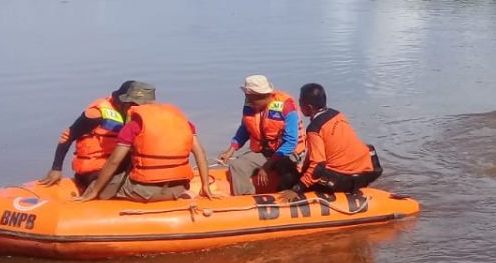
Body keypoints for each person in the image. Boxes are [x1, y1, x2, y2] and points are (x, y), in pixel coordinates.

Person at [78, 82, 212, 202]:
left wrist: (94, 190)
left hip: (144, 191)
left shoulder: (134, 125)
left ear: (130, 104)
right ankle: (179, 196)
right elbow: (200, 153)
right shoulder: (183, 121)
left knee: (100, 189)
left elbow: (114, 161)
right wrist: (205, 185)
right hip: (178, 187)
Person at [277, 83, 382, 204]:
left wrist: (297, 188)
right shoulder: (337, 115)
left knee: (286, 169)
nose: (299, 106)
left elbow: (318, 165)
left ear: (309, 107)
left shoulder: (314, 129)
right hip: (364, 174)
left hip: (343, 180)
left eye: (300, 102)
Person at [217, 75, 305, 195]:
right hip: (263, 152)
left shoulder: (286, 106)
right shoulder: (250, 106)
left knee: (286, 169)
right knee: (237, 165)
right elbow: (245, 129)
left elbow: (291, 142)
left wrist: (267, 166)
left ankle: (285, 197)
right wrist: (231, 149)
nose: (249, 102)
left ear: (263, 96)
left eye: (252, 99)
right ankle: (247, 200)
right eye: (247, 98)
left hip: (286, 153)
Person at [40, 81, 136, 190]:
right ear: (122, 101)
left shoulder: (134, 113)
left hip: (117, 166)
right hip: (94, 171)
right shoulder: (96, 114)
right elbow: (68, 136)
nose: (135, 107)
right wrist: (56, 168)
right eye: (133, 103)